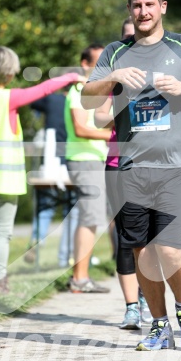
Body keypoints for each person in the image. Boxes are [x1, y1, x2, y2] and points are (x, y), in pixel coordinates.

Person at [82, 0, 181, 351]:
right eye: (136, 6)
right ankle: (158, 324)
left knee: (171, 249)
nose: (142, 12)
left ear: (162, 7)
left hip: (174, 165)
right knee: (141, 251)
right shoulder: (114, 51)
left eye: (149, 5)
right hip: (131, 167)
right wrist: (111, 77)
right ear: (130, 10)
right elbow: (86, 96)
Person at [0, 46, 82, 298]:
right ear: (9, 74)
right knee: (3, 232)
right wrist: (71, 77)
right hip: (5, 178)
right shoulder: (10, 98)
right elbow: (44, 89)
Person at [94, 16, 152, 329]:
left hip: (156, 164)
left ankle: (148, 295)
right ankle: (132, 306)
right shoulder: (112, 78)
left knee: (155, 239)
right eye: (129, 38)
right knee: (127, 238)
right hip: (119, 164)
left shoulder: (163, 71)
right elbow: (98, 118)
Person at [64, 44, 112, 294]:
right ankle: (79, 278)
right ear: (85, 64)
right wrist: (111, 134)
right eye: (98, 62)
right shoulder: (79, 90)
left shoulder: (97, 92)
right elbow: (81, 128)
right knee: (90, 217)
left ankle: (81, 277)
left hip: (93, 159)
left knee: (92, 218)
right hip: (83, 159)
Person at [24, 90, 79, 268]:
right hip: (71, 161)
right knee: (71, 210)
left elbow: (32, 100)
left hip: (49, 160)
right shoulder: (79, 100)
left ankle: (36, 240)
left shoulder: (51, 99)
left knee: (45, 207)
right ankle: (66, 257)